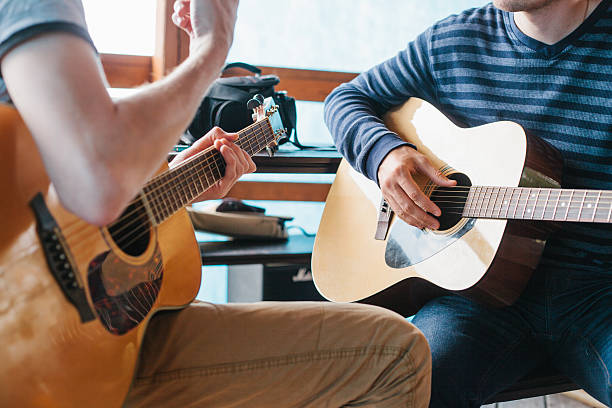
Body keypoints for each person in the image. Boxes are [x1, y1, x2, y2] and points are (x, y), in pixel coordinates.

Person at [0, 0, 431, 407]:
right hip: (45, 357)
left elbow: (76, 178)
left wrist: (172, 179)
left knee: (398, 346)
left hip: (101, 335)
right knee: (395, 358)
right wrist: (212, 47)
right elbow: (97, 179)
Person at [324, 0, 611, 406]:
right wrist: (384, 155)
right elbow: (347, 98)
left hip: (598, 293)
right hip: (476, 298)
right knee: (403, 392)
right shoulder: (454, 40)